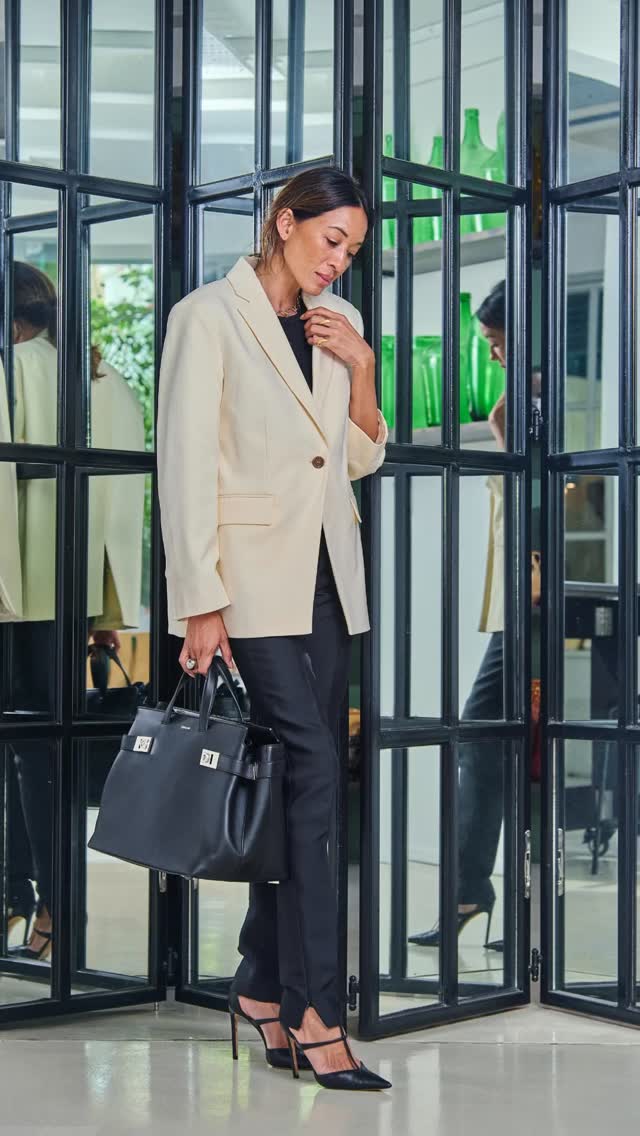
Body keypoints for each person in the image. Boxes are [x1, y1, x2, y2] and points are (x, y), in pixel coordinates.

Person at [157, 168, 391, 1091]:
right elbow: (181, 465)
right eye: (331, 240)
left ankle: (261, 984)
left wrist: (361, 371)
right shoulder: (205, 318)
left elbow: (361, 454)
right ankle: (317, 1013)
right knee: (316, 778)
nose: (341, 260)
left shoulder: (345, 329)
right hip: (249, 586)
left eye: (355, 249)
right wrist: (200, 601)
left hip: (329, 576)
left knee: (303, 778)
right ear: (284, 224)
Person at [1, 262, 144, 961]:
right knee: (40, 755)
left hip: (16, 588)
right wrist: (105, 604)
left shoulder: (14, 368)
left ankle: (40, 903)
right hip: (74, 593)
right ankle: (40, 902)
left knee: (25, 753)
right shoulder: (103, 377)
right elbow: (120, 501)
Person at [409, 279, 509, 952]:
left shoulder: (554, 403)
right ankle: (492, 894)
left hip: (543, 600)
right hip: (527, 598)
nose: (493, 353)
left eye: (498, 341)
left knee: (484, 733)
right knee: (504, 742)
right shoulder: (522, 405)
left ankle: (476, 890)